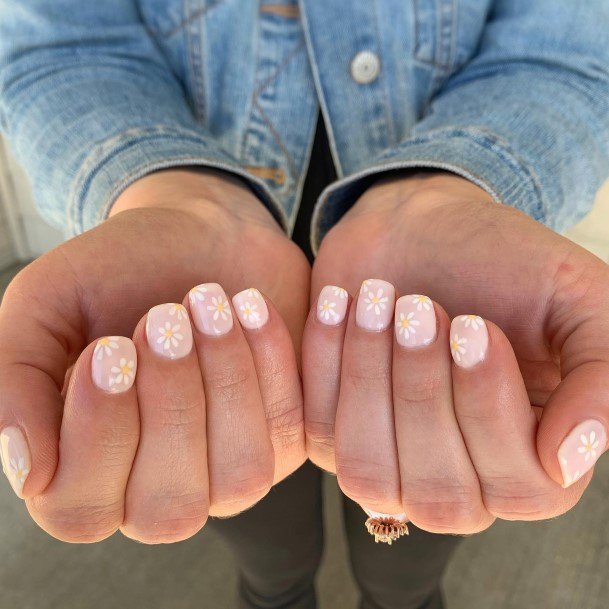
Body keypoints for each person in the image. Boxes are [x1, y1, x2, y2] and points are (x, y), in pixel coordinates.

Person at [1, 1, 609, 608]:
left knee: (407, 565)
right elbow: (59, 41)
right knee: (267, 552)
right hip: (212, 284)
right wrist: (167, 191)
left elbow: (567, 49)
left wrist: (450, 187)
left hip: (437, 267)